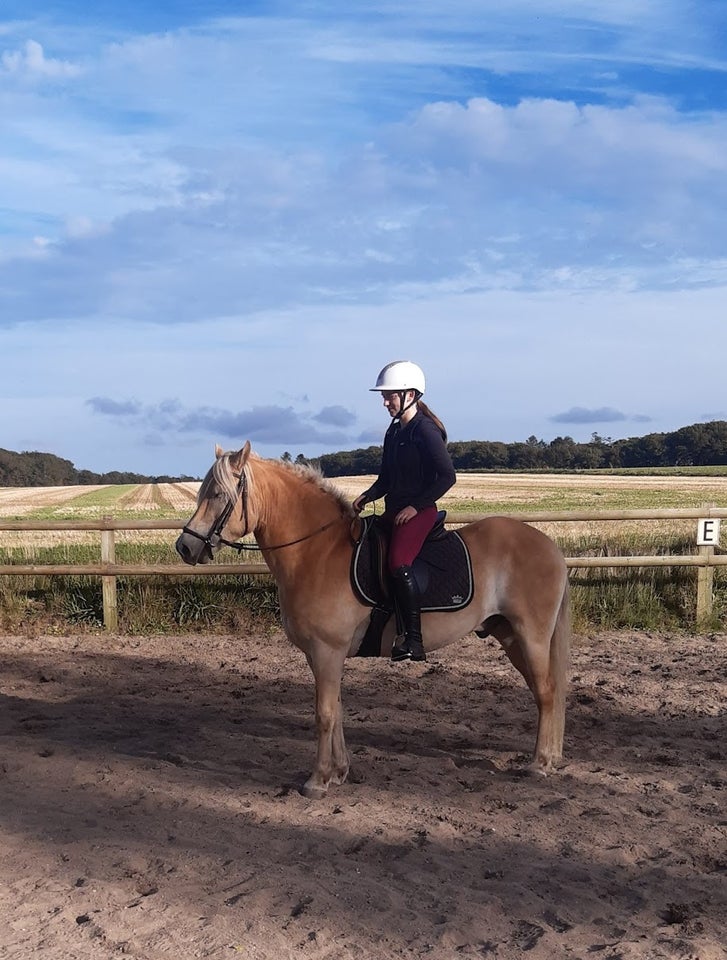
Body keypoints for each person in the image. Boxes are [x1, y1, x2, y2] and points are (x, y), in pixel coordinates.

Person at [353, 361, 456, 662]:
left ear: (410, 394)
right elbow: (386, 478)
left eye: (390, 396)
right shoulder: (394, 432)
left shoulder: (425, 431)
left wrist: (415, 506)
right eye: (384, 397)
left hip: (420, 511)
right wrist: (368, 495)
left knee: (398, 562)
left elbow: (447, 477)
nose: (385, 402)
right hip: (395, 510)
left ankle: (414, 640)